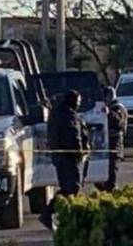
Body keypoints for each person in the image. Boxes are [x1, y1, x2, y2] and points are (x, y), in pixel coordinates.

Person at [40, 90, 89, 230]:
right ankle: (54, 214)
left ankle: (54, 214)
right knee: (72, 188)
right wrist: (79, 151)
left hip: (61, 156)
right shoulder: (68, 115)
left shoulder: (57, 113)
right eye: (78, 102)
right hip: (68, 156)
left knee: (68, 187)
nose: (79, 105)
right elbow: (73, 135)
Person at [95, 86, 128, 192]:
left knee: (112, 169)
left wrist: (109, 113)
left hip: (115, 143)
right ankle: (106, 189)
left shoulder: (119, 108)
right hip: (106, 143)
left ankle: (112, 189)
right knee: (101, 173)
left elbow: (119, 122)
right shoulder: (104, 108)